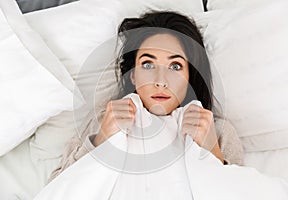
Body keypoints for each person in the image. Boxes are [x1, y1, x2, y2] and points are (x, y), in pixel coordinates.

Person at [49, 11, 243, 183]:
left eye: (175, 66)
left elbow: (243, 192)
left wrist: (213, 153)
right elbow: (55, 189)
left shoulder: (218, 130)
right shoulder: (105, 118)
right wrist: (100, 141)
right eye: (148, 65)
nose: (161, 81)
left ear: (190, 77)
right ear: (132, 75)